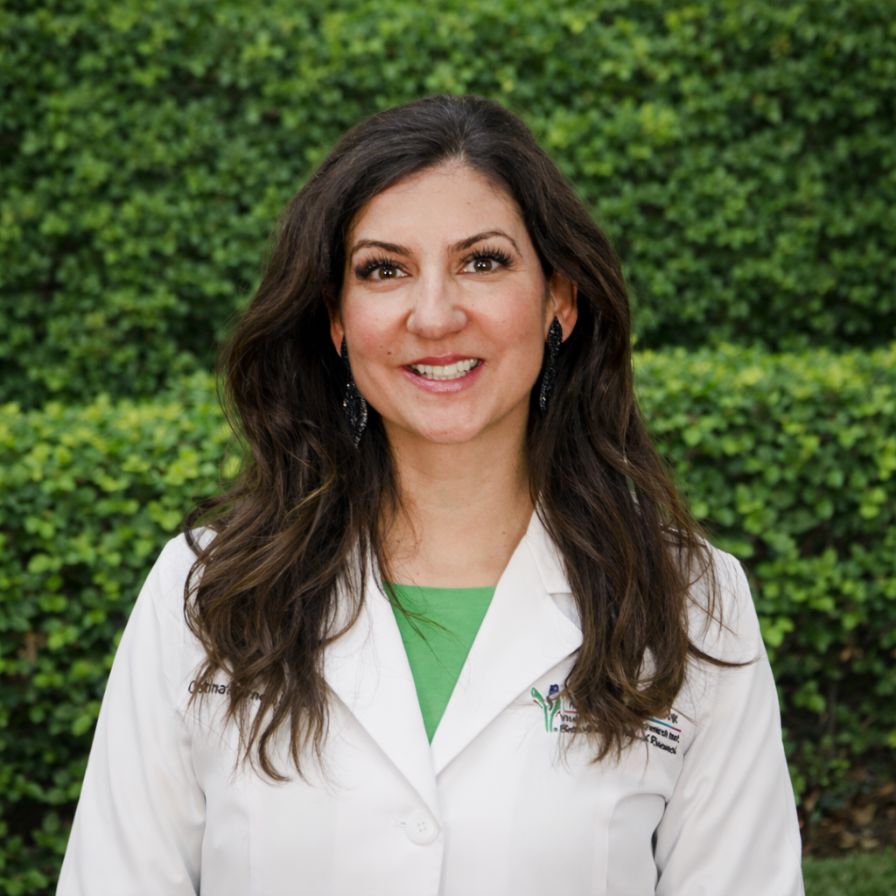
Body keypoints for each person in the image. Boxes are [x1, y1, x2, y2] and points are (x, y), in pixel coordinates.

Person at [57, 94, 804, 895]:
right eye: (385, 270)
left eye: (482, 262)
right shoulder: (204, 593)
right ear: (338, 321)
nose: (436, 315)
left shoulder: (692, 601)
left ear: (559, 300)